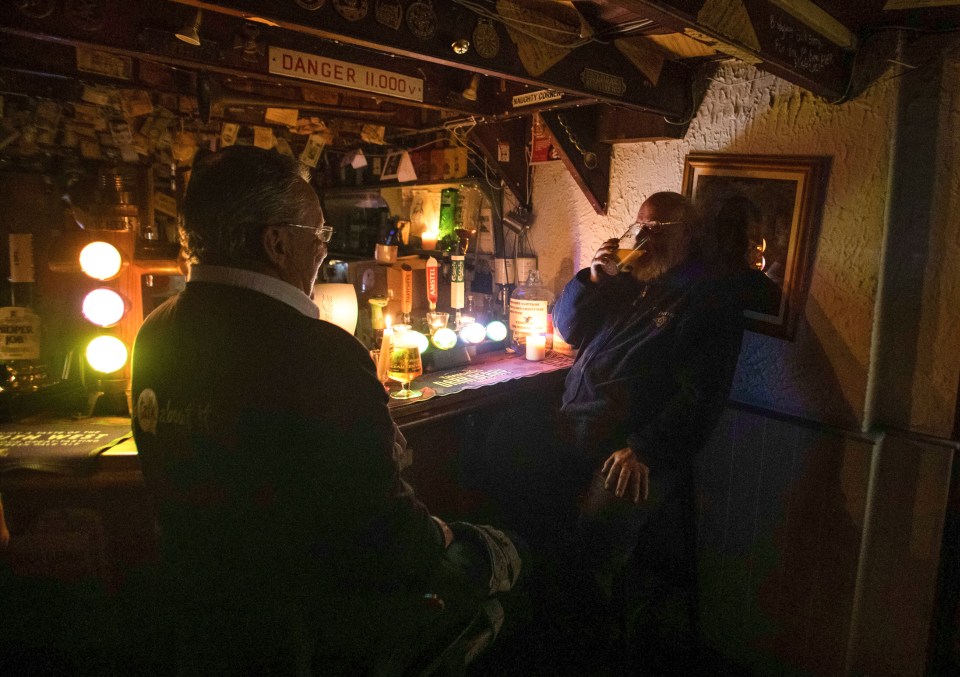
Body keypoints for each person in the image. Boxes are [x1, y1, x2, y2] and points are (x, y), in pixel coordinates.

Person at [130, 146, 521, 675]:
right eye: (319, 235)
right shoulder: (317, 350)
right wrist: (449, 537)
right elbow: (384, 532)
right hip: (316, 623)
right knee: (505, 555)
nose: (322, 249)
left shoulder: (153, 332)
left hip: (203, 614)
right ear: (276, 241)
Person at [549, 191, 745, 673]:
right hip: (578, 426)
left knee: (594, 540)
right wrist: (591, 279)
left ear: (688, 235)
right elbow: (568, 329)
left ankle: (598, 649)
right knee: (508, 465)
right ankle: (549, 625)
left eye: (660, 230)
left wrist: (644, 449)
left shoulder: (706, 296)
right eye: (642, 227)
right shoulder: (627, 280)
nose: (645, 237)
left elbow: (702, 396)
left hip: (632, 449)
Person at [706, 194, 782, 315]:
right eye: (728, 223)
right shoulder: (699, 278)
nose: (733, 233)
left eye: (740, 225)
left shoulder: (764, 289)